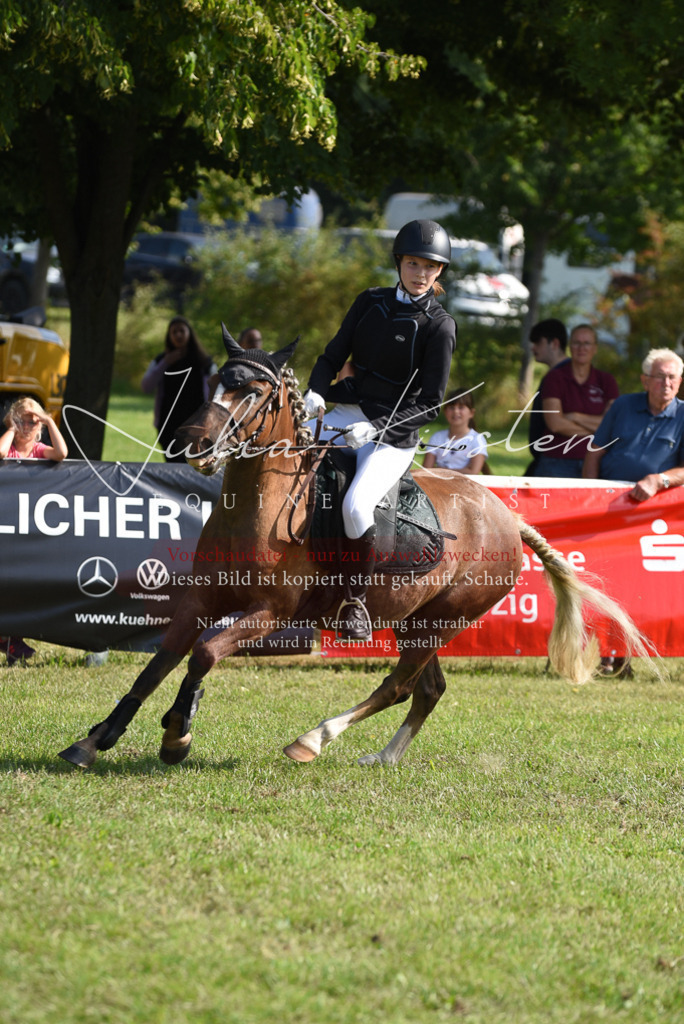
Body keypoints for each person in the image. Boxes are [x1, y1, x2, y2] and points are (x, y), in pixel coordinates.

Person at [303, 218, 457, 641]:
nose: (420, 273)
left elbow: (430, 403)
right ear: (399, 263)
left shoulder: (439, 326)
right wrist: (315, 393)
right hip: (345, 409)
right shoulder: (369, 302)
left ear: (439, 271)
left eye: (429, 266)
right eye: (413, 263)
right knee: (284, 456)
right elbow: (331, 356)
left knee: (356, 505)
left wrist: (376, 428)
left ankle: (355, 600)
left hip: (393, 433)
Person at [0, 397, 68, 665]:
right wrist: (11, 429)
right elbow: (1, 453)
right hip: (5, 524)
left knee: (22, 583)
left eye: (33, 421)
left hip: (28, 528)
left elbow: (61, 454)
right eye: (23, 420)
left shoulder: (40, 450)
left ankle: (10, 639)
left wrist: (50, 420)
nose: (28, 426)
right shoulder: (11, 445)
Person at [583, 347, 684, 497]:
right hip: (608, 496)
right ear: (645, 381)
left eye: (672, 377)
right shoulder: (623, 404)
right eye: (660, 376)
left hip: (656, 501)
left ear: (680, 381)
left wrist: (659, 480)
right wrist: (588, 494)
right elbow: (594, 453)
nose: (667, 383)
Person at [535, 323, 618, 478]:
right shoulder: (554, 377)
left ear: (595, 348)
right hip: (557, 460)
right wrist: (598, 431)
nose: (582, 348)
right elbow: (555, 423)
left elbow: (612, 425)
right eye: (576, 343)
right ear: (569, 347)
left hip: (597, 461)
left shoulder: (607, 381)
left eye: (587, 343)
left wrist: (575, 417)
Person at [141, 316, 217, 463]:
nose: (178, 335)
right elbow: (146, 386)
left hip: (198, 424)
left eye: (182, 331)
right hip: (168, 425)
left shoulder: (204, 363)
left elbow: (216, 390)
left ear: (190, 334)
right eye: (174, 332)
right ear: (169, 336)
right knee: (173, 464)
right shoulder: (161, 360)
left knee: (196, 463)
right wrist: (165, 363)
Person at [525, 318, 570, 476]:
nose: (533, 348)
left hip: (559, 462)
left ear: (555, 343)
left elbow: (559, 422)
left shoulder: (568, 376)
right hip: (546, 459)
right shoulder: (557, 375)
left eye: (538, 342)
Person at [422, 386, 487, 473]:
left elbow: (473, 472)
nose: (456, 411)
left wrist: (441, 470)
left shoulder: (477, 440)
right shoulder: (437, 437)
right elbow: (426, 470)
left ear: (471, 413)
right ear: (445, 411)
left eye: (461, 407)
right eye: (452, 407)